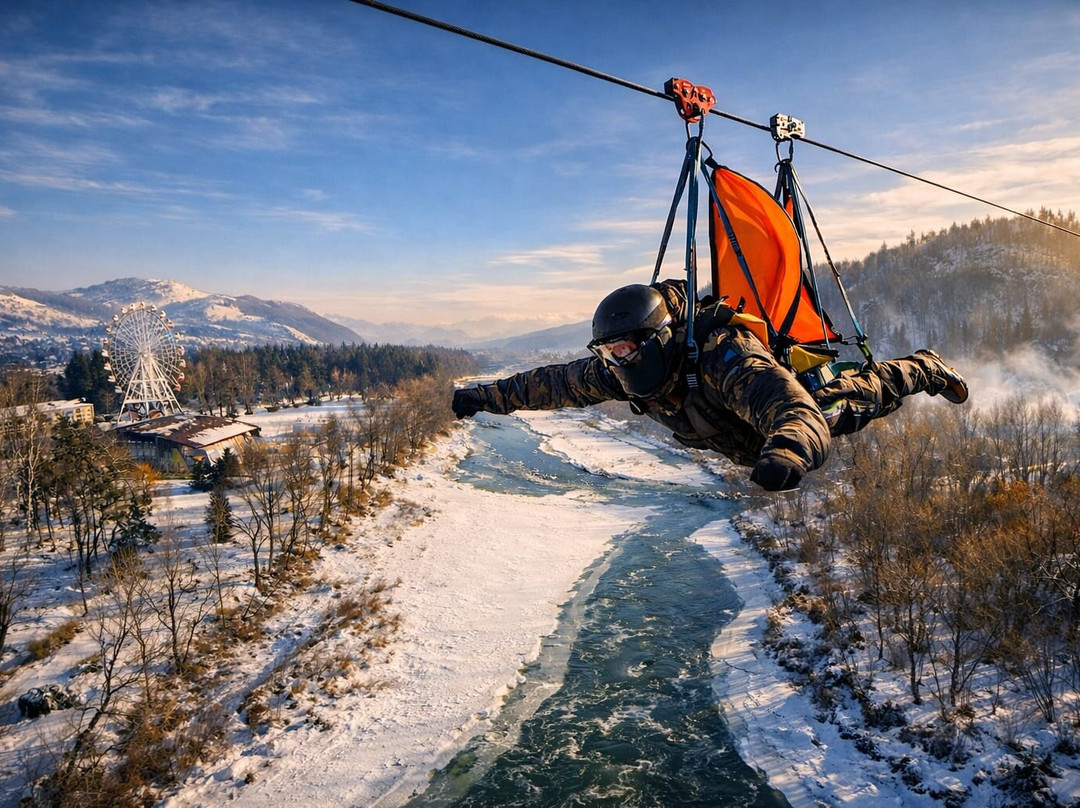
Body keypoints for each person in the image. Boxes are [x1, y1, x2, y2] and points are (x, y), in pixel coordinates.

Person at [451, 279, 968, 491]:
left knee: (859, 401)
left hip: (787, 425)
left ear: (655, 340)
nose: (615, 361)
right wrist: (485, 396)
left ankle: (926, 365)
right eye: (607, 352)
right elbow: (550, 384)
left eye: (624, 350)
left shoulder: (722, 355)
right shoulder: (621, 376)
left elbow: (788, 408)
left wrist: (789, 449)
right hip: (741, 442)